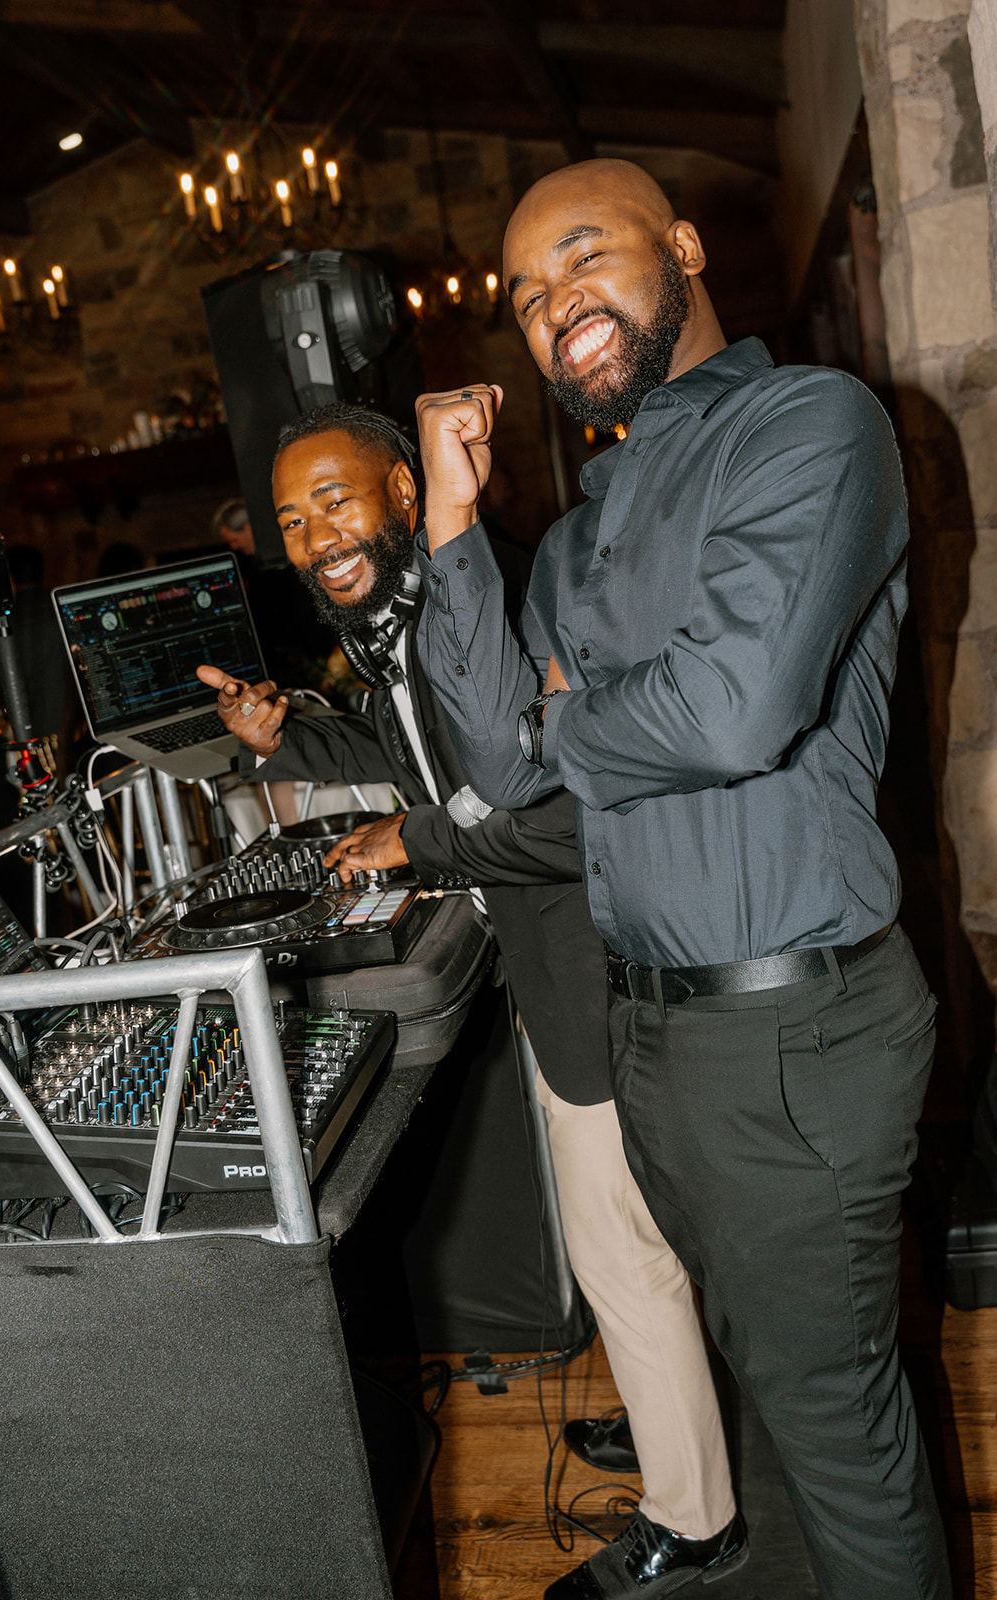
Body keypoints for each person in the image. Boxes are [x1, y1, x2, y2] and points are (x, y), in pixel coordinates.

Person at [412, 158, 951, 1600]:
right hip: (654, 1035)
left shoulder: (807, 424)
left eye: (581, 255)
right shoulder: (580, 533)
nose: (553, 307)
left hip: (794, 1032)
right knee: (774, 1388)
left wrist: (567, 712)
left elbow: (727, 711)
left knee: (840, 1431)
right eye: (525, 296)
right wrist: (453, 532)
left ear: (686, 247)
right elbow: (496, 765)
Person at [195, 401, 738, 1567]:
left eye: (334, 499)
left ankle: (694, 1518)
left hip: (601, 963)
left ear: (404, 490)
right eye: (290, 519)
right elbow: (417, 758)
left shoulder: (493, 601)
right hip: (565, 970)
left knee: (619, 1250)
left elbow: (575, 817)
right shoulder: (403, 617)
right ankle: (679, 1414)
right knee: (640, 1241)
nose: (312, 535)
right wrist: (280, 742)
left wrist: (420, 843)